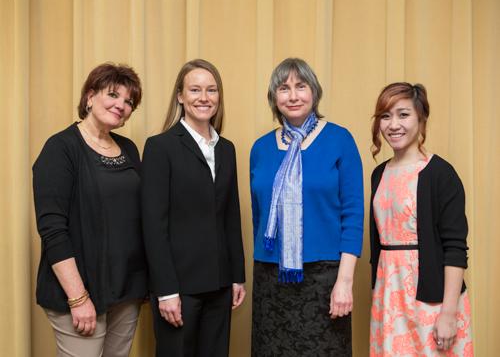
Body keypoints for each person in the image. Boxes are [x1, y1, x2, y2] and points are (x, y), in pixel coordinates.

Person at [250, 58, 364, 356]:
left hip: (325, 279)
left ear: (314, 92)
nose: (293, 95)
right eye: (284, 88)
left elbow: (353, 216)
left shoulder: (340, 139)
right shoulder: (260, 148)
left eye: (301, 86)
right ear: (274, 98)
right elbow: (258, 218)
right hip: (270, 279)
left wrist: (344, 281)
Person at [33, 63, 147, 356]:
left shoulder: (130, 149)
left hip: (126, 289)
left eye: (129, 101)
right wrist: (77, 298)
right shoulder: (60, 149)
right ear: (89, 97)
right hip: (81, 291)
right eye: (113, 95)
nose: (121, 105)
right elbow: (52, 230)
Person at [141, 59, 246, 357]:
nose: (204, 97)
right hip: (179, 287)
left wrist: (237, 276)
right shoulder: (160, 147)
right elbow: (153, 225)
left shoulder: (227, 149)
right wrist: (166, 290)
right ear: (180, 96)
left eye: (211, 90)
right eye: (195, 89)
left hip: (220, 283)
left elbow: (230, 217)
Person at [369, 82, 474, 356]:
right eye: (386, 116)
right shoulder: (379, 174)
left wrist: (448, 313)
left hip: (431, 297)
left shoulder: (440, 174)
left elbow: (455, 248)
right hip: (388, 295)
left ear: (421, 118)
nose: (393, 124)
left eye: (403, 115)